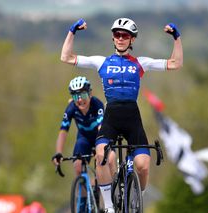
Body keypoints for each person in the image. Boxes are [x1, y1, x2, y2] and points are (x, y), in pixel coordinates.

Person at [60, 17, 183, 212]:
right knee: (101, 156)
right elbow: (66, 57)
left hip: (132, 117)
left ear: (132, 40)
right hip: (112, 117)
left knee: (143, 165)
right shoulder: (102, 62)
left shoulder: (140, 63)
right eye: (117, 34)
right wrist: (72, 32)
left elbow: (176, 63)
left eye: (124, 35)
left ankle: (136, 197)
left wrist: (176, 38)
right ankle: (109, 206)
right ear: (112, 38)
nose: (120, 38)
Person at [51, 76, 116, 212]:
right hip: (84, 139)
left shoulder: (97, 105)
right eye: (75, 96)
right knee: (78, 166)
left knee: (105, 162)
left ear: (90, 94)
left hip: (100, 137)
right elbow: (63, 131)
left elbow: (100, 129)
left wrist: (100, 149)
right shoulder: (71, 109)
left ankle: (110, 198)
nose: (80, 99)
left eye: (83, 94)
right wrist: (58, 152)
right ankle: (83, 201)